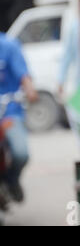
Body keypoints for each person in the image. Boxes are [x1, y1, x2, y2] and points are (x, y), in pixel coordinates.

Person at [0, 32, 37, 202]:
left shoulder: (8, 45)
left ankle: (12, 180)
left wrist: (29, 90)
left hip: (8, 113)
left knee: (21, 152)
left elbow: (24, 75)